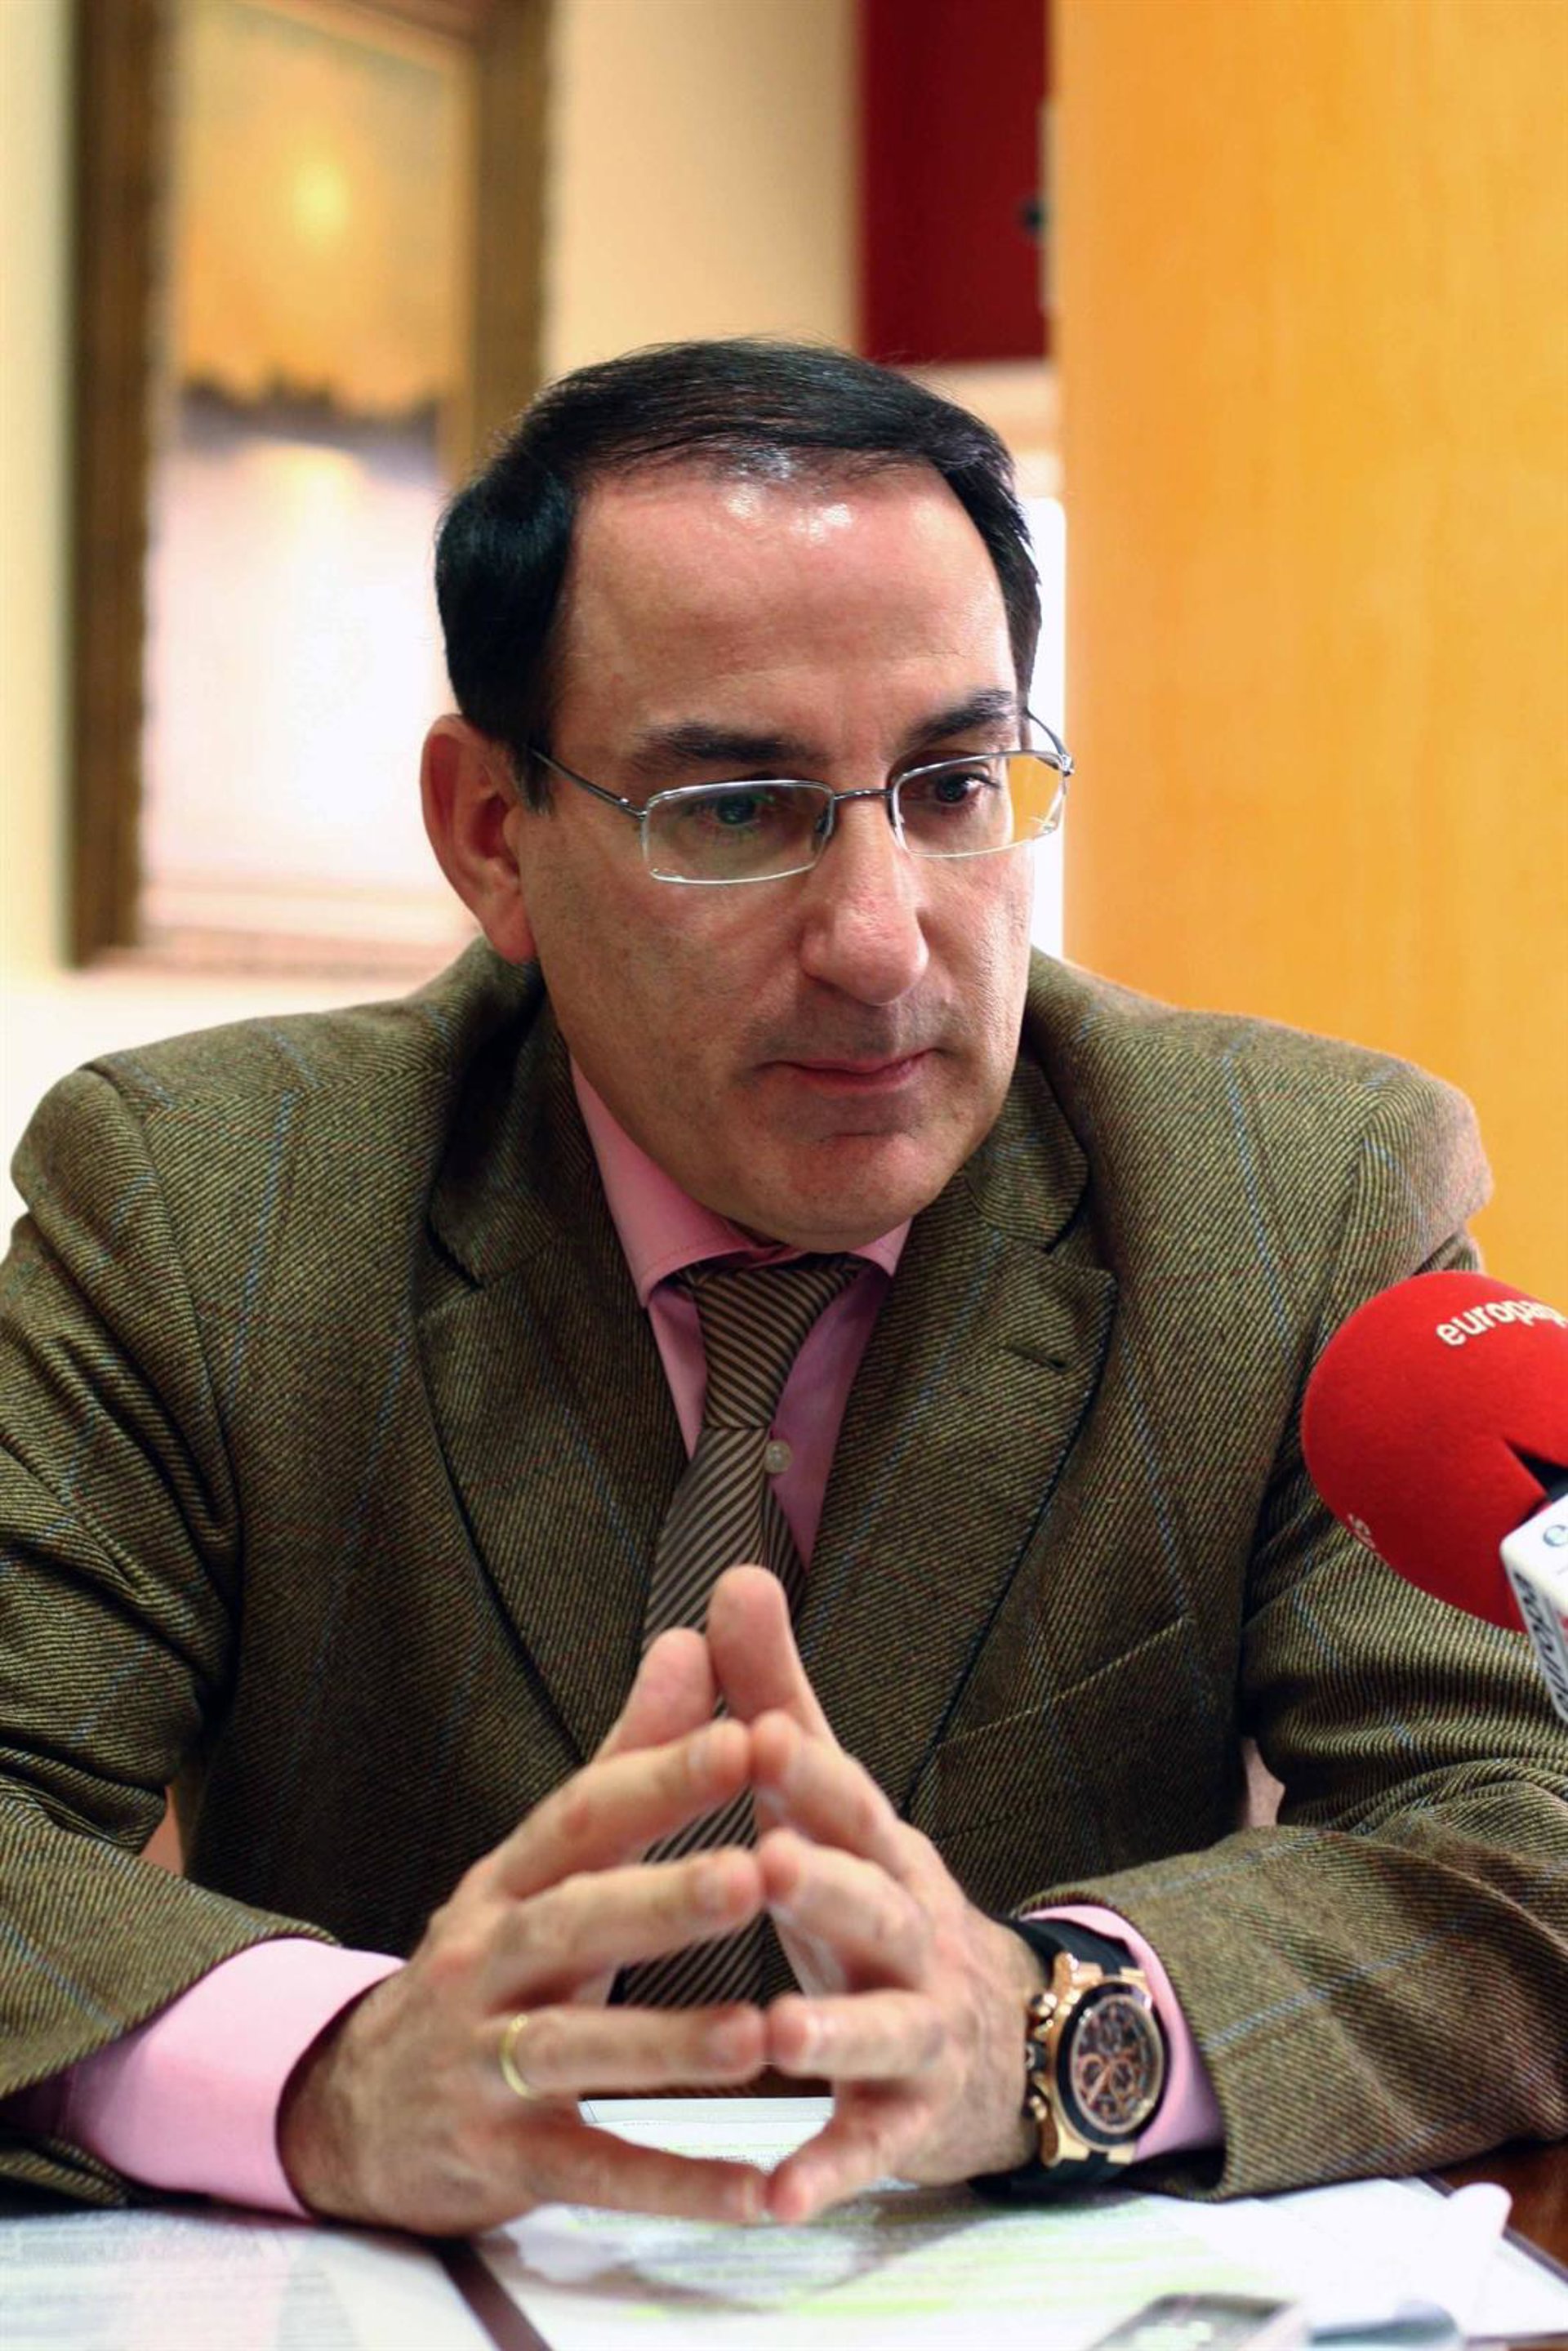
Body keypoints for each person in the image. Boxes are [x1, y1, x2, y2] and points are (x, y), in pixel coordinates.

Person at [1, 341, 1563, 2235]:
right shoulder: (206, 1212)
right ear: (494, 834)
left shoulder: (1288, 1200)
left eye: (954, 783)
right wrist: (332, 2080)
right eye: (738, 807)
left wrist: (1050, 2030)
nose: (882, 939)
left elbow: (1523, 1843)